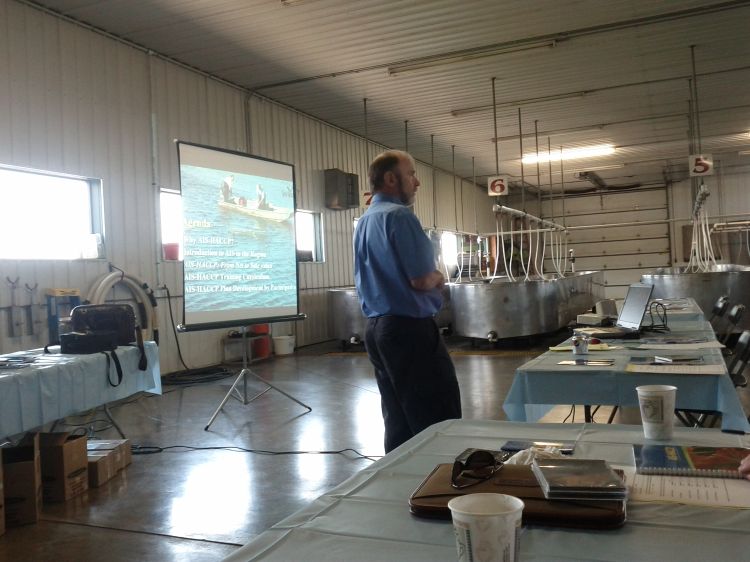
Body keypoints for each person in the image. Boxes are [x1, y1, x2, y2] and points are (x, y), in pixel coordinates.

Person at [353, 150, 462, 453]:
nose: (417, 183)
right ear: (390, 179)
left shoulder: (365, 221)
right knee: (437, 417)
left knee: (399, 418)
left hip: (377, 331)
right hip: (409, 331)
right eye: (411, 174)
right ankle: (441, 488)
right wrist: (439, 277)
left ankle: (402, 487)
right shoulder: (400, 217)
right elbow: (421, 279)